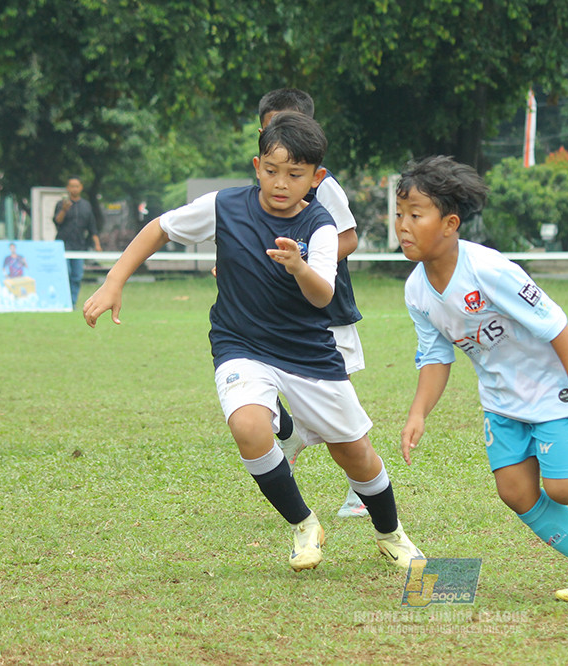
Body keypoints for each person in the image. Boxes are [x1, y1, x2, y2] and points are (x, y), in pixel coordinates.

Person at [83, 112, 423, 572]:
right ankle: (304, 525)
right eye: (271, 170)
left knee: (354, 453)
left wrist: (299, 266)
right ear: (257, 164)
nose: (280, 183)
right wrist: (114, 281)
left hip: (307, 351)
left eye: (295, 174)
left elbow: (322, 294)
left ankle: (390, 533)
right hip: (240, 343)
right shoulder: (225, 205)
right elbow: (160, 227)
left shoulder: (320, 226)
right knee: (248, 426)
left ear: (316, 178)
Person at [396, 155, 568, 602]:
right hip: (501, 401)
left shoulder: (488, 269)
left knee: (565, 489)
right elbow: (435, 356)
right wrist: (418, 412)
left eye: (415, 214)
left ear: (450, 224)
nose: (403, 225)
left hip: (553, 388)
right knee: (515, 491)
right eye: (399, 214)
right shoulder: (416, 290)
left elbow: (552, 321)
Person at [256, 88, 368, 519]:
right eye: (268, 130)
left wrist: (306, 265)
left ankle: (361, 489)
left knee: (338, 399)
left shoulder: (325, 183)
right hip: (286, 310)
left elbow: (349, 238)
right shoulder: (270, 185)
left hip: (327, 309)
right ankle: (290, 431)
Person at [53, 176, 102, 308]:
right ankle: (64, 301)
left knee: (77, 275)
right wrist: (64, 209)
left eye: (77, 186)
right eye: (71, 186)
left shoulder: (86, 206)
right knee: (65, 274)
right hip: (63, 245)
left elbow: (92, 227)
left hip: (79, 246)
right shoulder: (61, 204)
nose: (74, 189)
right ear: (68, 188)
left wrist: (97, 244)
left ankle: (72, 303)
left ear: (81, 188)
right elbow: (57, 221)